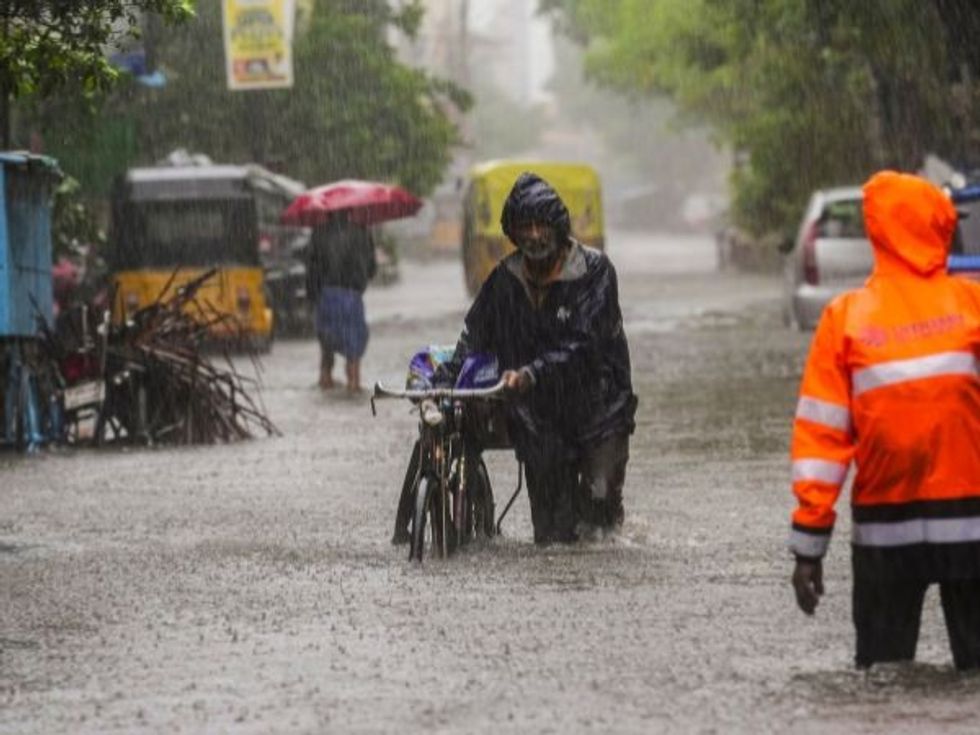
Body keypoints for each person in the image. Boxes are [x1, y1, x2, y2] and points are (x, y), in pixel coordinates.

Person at [788, 170, 980, 670]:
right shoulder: (972, 305)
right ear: (937, 227)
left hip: (884, 534)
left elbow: (821, 442)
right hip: (972, 530)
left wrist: (809, 547)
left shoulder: (845, 318)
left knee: (881, 682)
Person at [426, 171, 637, 544]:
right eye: (526, 227)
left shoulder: (595, 273)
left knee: (599, 520)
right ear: (514, 233)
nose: (535, 235)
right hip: (538, 416)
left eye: (543, 225)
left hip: (600, 407)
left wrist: (532, 373)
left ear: (558, 229)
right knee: (550, 535)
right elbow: (475, 337)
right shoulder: (504, 281)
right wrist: (446, 378)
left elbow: (586, 346)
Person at [305, 213, 377, 392]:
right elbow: (372, 269)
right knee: (353, 345)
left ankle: (325, 378)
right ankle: (353, 383)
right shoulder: (361, 232)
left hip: (327, 295)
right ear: (350, 210)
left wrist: (312, 296)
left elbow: (311, 269)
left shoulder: (318, 233)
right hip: (352, 296)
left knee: (326, 342)